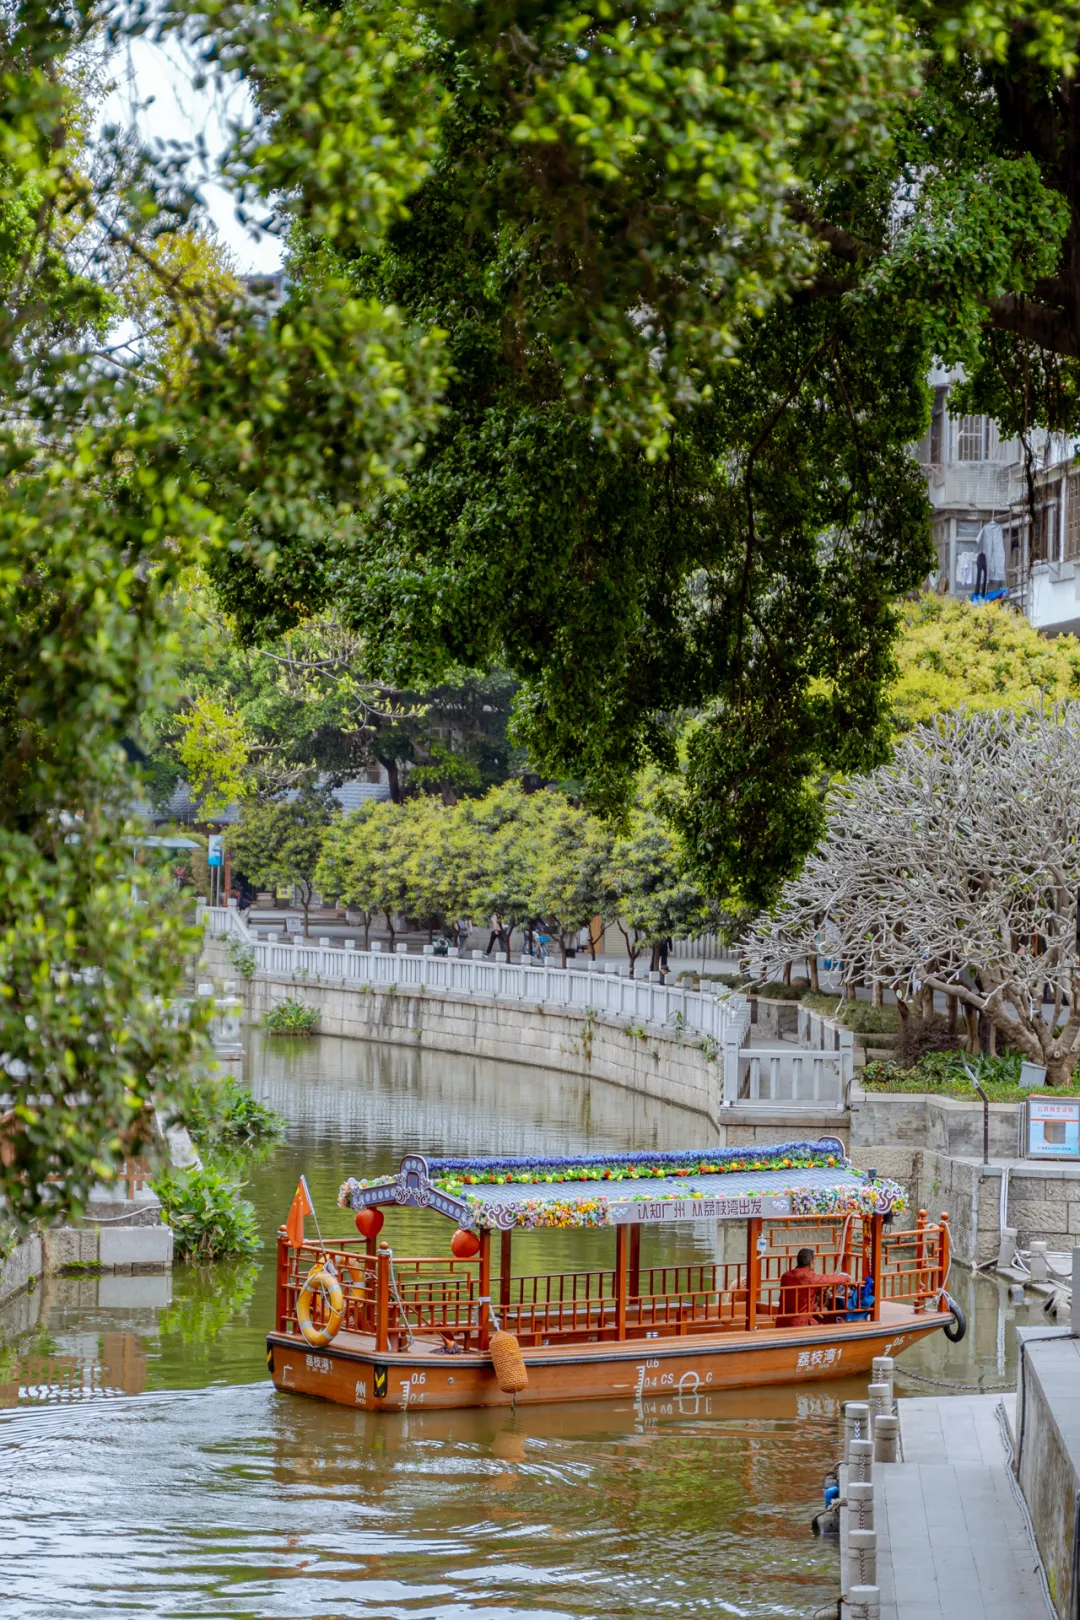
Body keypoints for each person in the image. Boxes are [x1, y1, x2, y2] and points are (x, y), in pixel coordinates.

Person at [776, 1247, 853, 1329]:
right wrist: (847, 1278)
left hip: (782, 1322)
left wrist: (816, 1309)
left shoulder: (786, 1276)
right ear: (811, 1262)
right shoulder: (809, 1277)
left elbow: (796, 1302)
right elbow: (827, 1279)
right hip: (800, 1324)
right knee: (829, 1329)